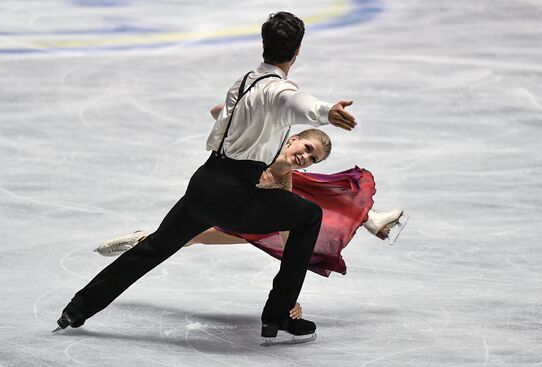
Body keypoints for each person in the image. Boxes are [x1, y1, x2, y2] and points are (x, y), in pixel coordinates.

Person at [55, 11, 358, 345]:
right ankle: (278, 313)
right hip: (236, 193)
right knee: (309, 215)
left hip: (205, 181)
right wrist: (326, 110)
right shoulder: (278, 91)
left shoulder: (243, 82)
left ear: (263, 44)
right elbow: (296, 101)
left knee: (156, 247)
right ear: (297, 51)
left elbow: (223, 121)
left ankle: (78, 307)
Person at [95, 128, 408, 278]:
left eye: (313, 158)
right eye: (308, 148)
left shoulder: (288, 180)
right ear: (293, 137)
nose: (307, 158)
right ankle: (143, 240)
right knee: (189, 237)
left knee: (192, 238)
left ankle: (142, 239)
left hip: (245, 219)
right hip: (216, 199)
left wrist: (289, 289)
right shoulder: (264, 147)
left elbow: (290, 238)